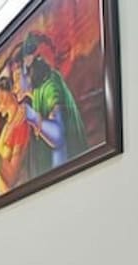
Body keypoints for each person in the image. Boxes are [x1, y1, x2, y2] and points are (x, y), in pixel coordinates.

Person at [12, 32, 88, 173]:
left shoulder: (50, 85)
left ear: (28, 71)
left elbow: (58, 135)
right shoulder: (36, 97)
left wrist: (31, 116)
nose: (14, 87)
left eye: (17, 78)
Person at [0, 72, 29, 195]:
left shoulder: (21, 123)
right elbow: (2, 170)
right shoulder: (6, 128)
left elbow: (12, 177)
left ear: (7, 93)